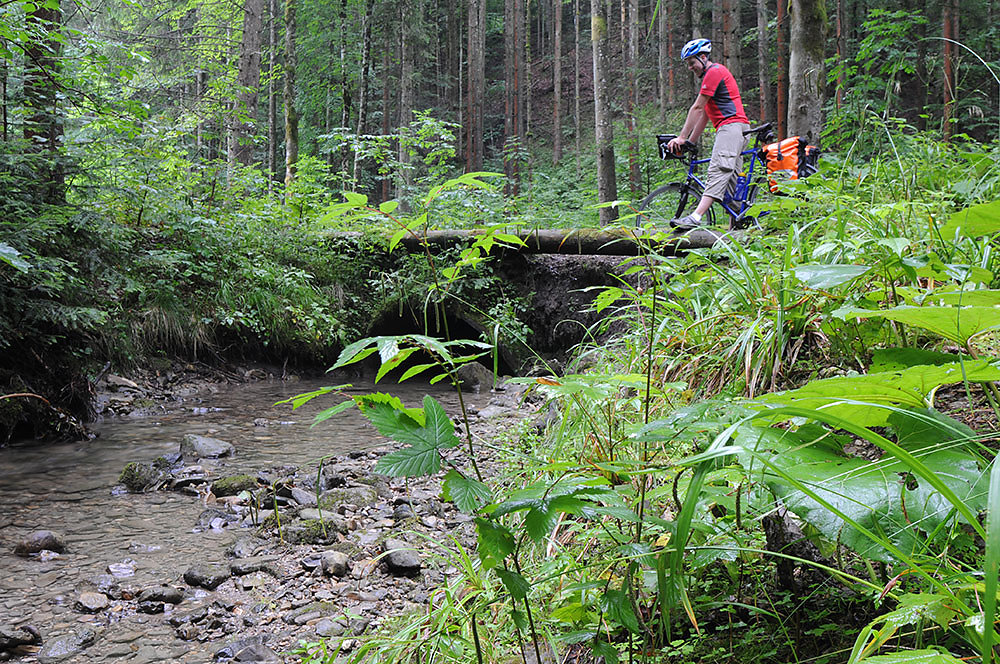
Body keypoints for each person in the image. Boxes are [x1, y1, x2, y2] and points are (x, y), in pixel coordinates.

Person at [666, 38, 750, 230]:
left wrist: (681, 137)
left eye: (692, 63)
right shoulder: (710, 77)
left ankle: (696, 217)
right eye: (688, 64)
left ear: (703, 57)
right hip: (736, 128)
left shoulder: (715, 72)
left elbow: (696, 108)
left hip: (731, 127)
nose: (690, 67)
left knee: (719, 169)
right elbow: (704, 114)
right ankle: (737, 227)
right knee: (732, 181)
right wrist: (691, 142)